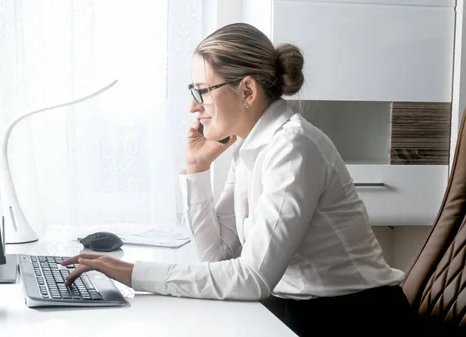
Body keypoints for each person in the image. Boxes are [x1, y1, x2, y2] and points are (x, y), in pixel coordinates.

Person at [62, 22, 414, 336]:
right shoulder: (252, 148)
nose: (194, 106)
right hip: (304, 312)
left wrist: (132, 272)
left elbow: (252, 279)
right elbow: (216, 258)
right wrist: (197, 170)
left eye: (203, 90)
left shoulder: (293, 146)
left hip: (357, 319)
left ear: (247, 91)